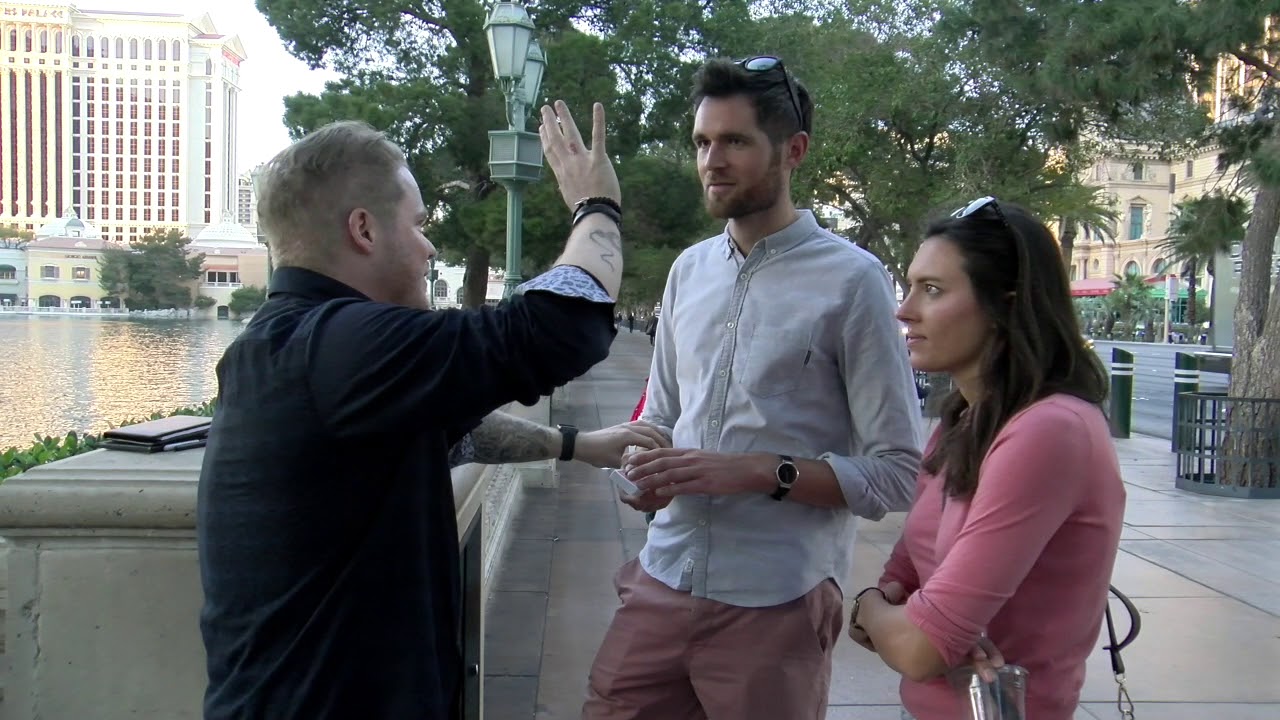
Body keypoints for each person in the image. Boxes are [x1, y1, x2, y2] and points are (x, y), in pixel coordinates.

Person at [196, 101, 661, 720]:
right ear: (363, 230)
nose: (429, 243)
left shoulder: (290, 346)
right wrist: (596, 204)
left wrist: (576, 444)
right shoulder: (339, 345)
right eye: (417, 224)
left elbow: (450, 432)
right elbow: (555, 331)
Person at [582, 57, 922, 720]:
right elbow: (661, 418)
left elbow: (898, 473)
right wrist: (638, 473)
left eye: (735, 141)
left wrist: (754, 470)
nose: (712, 160)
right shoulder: (688, 272)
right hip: (663, 577)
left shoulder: (854, 281)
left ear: (793, 151)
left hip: (776, 601)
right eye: (702, 143)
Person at [847, 198, 1125, 720]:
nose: (904, 310)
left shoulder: (1049, 430)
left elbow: (917, 648)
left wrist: (869, 607)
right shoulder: (964, 421)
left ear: (1006, 305)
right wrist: (897, 613)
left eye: (932, 290)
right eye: (910, 287)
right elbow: (904, 572)